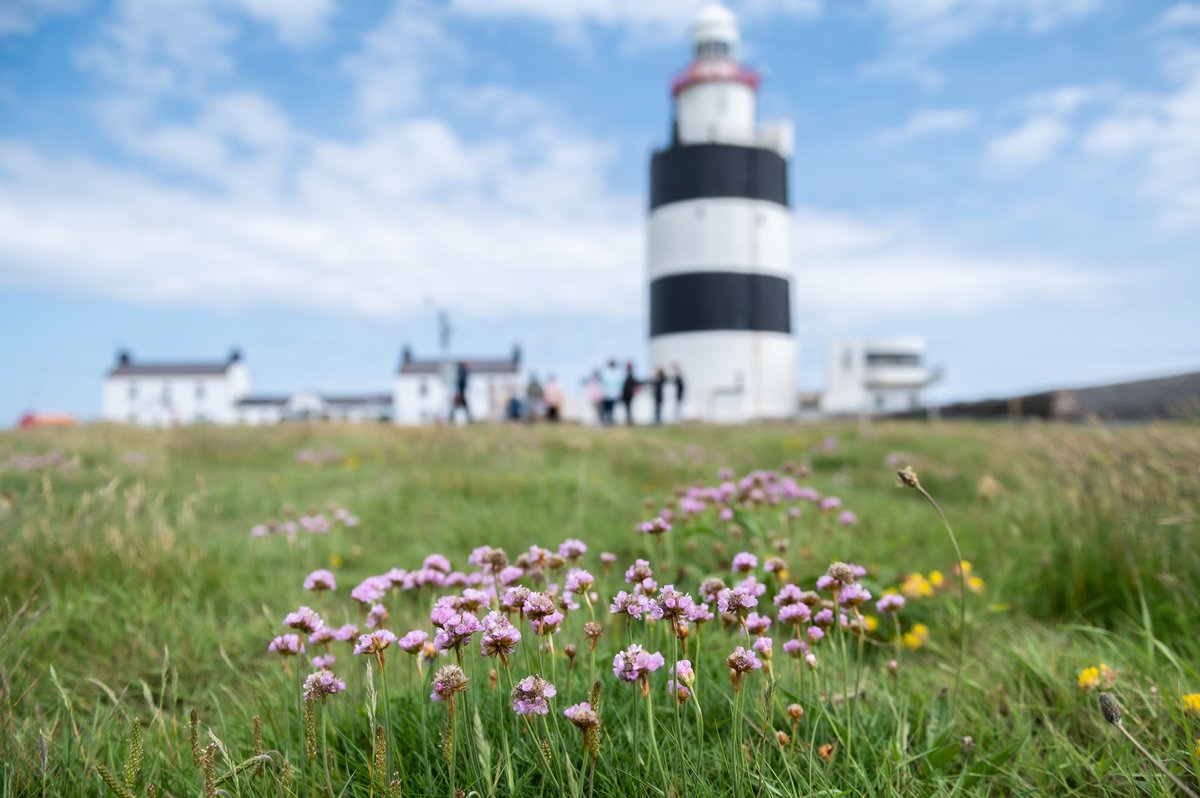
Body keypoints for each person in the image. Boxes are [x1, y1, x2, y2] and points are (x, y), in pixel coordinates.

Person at [600, 359, 623, 426]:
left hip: (612, 394)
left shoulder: (616, 373)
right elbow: (603, 384)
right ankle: (607, 421)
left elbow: (619, 384)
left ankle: (609, 421)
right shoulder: (606, 373)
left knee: (611, 409)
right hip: (607, 394)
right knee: (607, 409)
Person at [621, 361, 639, 427]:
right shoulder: (629, 374)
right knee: (628, 408)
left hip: (628, 394)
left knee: (628, 408)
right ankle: (629, 420)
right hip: (627, 394)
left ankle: (629, 421)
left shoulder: (630, 375)